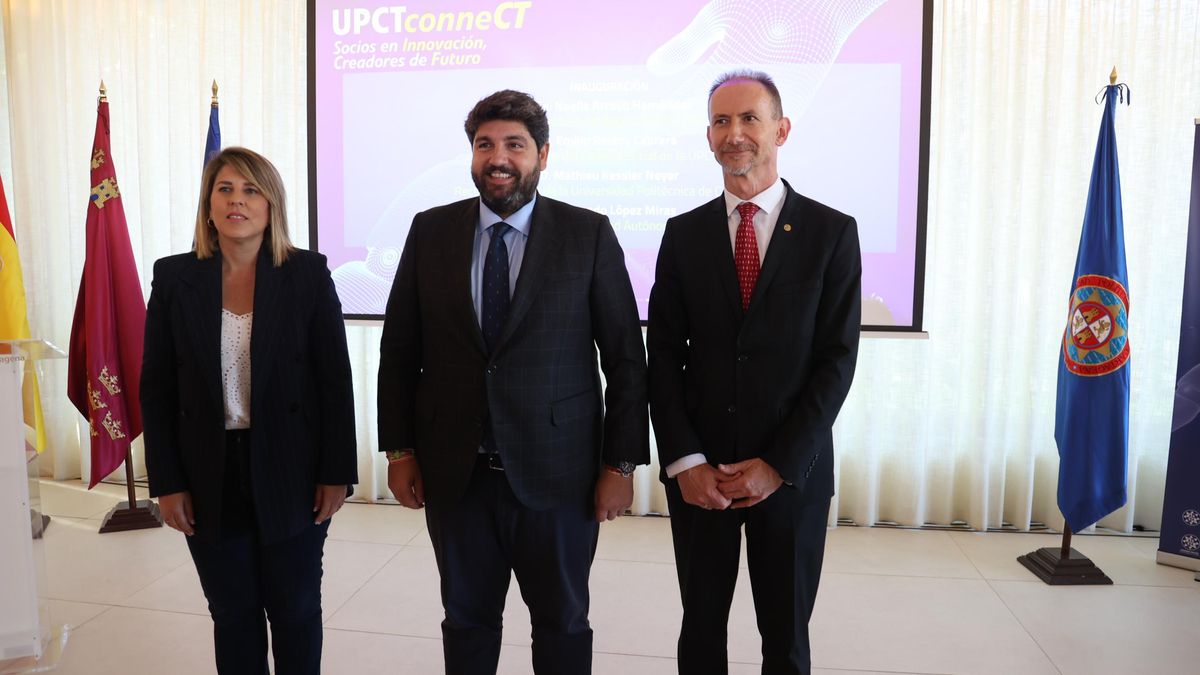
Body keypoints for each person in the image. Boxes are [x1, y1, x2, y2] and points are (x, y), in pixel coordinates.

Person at [378, 89, 648, 675]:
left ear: (543, 155)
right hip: (457, 476)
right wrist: (399, 451)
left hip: (560, 478)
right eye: (485, 145)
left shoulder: (588, 235)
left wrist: (620, 466)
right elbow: (399, 351)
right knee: (467, 623)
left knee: (562, 625)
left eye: (514, 146)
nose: (498, 158)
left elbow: (626, 358)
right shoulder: (431, 232)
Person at [647, 71, 861, 674]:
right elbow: (661, 355)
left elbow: (836, 361)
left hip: (791, 475)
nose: (733, 133)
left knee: (786, 640)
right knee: (701, 633)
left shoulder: (831, 232)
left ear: (781, 130)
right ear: (708, 137)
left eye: (748, 119)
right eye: (721, 121)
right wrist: (685, 462)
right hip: (700, 480)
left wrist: (780, 466)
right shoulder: (683, 234)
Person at [141, 146, 357, 675]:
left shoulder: (307, 273)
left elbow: (335, 381)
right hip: (207, 470)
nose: (237, 200)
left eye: (251, 189)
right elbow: (157, 388)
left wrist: (337, 474)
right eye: (225, 189)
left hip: (292, 469)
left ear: (271, 204)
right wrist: (166, 481)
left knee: (296, 608)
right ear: (208, 205)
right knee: (233, 613)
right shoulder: (174, 278)